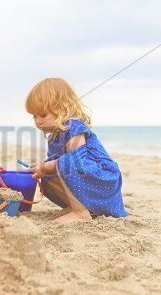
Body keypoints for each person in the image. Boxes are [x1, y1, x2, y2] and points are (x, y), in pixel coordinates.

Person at [25, 78, 127, 223]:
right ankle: (82, 207)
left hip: (104, 178)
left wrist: (49, 166)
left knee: (66, 163)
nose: (37, 121)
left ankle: (80, 212)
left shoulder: (74, 126)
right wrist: (43, 168)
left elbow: (76, 161)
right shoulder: (55, 135)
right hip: (88, 182)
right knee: (47, 175)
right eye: (34, 116)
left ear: (62, 109)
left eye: (43, 115)